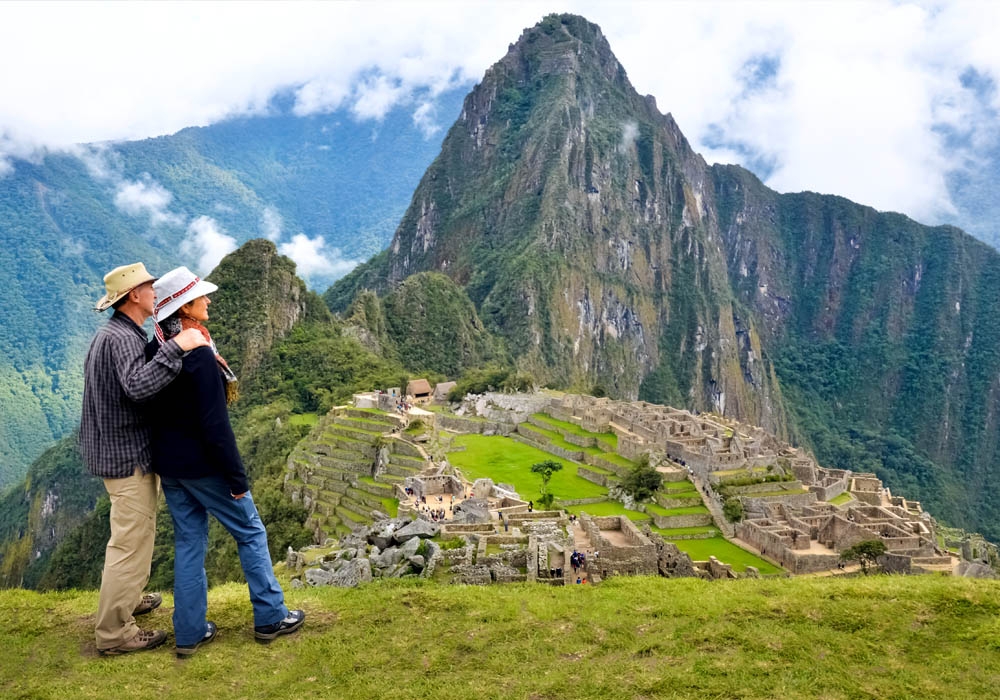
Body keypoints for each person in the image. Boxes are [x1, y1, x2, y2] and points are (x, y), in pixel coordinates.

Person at [144, 267, 304, 657]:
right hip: (205, 467)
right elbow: (215, 426)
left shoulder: (156, 349)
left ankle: (189, 631)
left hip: (172, 468)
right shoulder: (198, 356)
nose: (209, 301)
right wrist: (237, 477)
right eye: (201, 297)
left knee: (188, 544)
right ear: (185, 307)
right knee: (250, 531)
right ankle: (270, 616)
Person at [80, 262, 209, 656]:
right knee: (130, 544)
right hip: (126, 456)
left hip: (115, 451)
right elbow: (138, 387)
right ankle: (115, 633)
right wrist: (177, 347)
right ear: (133, 295)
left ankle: (127, 599)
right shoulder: (121, 339)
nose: (155, 293)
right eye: (150, 288)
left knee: (134, 537)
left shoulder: (116, 334)